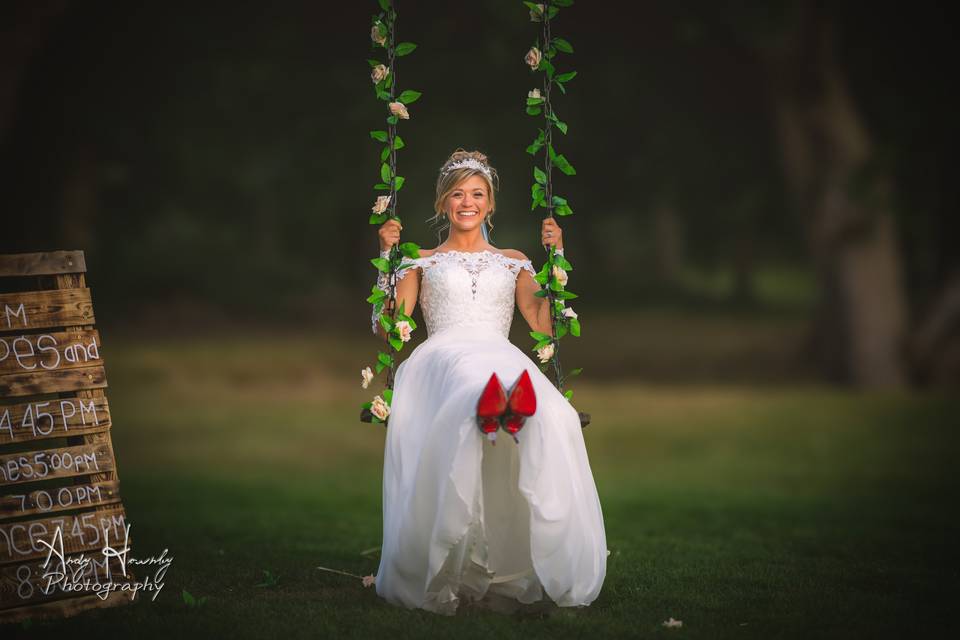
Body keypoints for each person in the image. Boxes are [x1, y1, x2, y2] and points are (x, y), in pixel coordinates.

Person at [370, 149, 607, 615]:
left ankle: (508, 410)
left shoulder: (514, 261)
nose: (467, 202)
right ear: (442, 204)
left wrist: (557, 254)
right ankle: (491, 406)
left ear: (491, 203)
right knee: (468, 377)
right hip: (442, 353)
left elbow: (542, 325)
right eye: (457, 194)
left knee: (553, 410)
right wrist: (386, 255)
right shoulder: (422, 259)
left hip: (498, 352)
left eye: (477, 194)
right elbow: (389, 327)